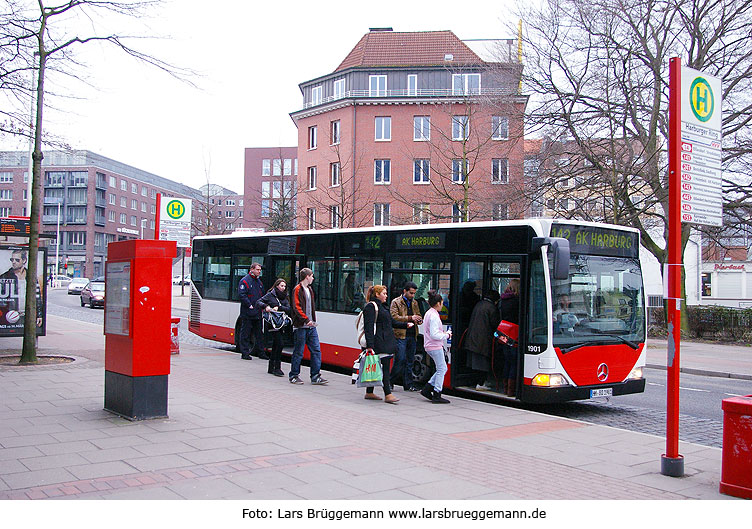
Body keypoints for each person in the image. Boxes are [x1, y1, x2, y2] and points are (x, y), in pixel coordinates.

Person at [362, 285, 413, 404]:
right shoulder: (371, 307)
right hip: (379, 342)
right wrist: (370, 346)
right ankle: (388, 394)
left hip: (385, 341)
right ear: (377, 295)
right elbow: (368, 327)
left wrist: (405, 325)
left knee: (376, 366)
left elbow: (391, 322)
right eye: (384, 293)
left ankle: (369, 392)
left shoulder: (382, 307)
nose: (386, 295)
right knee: (384, 367)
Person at [289, 268, 328, 385]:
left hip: (311, 326)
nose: (313, 278)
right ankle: (294, 375)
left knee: (316, 350)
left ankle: (315, 376)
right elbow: (296, 307)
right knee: (299, 351)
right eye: (312, 276)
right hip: (301, 326)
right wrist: (306, 320)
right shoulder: (297, 289)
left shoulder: (309, 289)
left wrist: (311, 321)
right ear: (307, 277)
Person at [463, 290, 501, 391]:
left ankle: (477, 382)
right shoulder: (491, 308)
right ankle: (481, 383)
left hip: (473, 338)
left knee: (475, 363)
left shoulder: (479, 304)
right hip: (482, 340)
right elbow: (495, 324)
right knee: (482, 364)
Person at [389, 281, 422, 391]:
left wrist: (419, 319)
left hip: (413, 334)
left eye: (414, 293)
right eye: (411, 293)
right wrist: (410, 318)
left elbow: (418, 315)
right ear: (405, 291)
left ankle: (408, 384)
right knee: (400, 359)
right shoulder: (396, 302)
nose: (413, 295)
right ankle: (390, 381)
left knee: (410, 361)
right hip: (400, 335)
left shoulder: (415, 303)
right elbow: (394, 317)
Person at [420, 290, 452, 404]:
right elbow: (434, 334)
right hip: (434, 345)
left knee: (441, 368)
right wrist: (446, 335)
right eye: (442, 303)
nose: (442, 306)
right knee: (442, 369)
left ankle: (427, 389)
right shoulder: (434, 315)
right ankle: (436, 393)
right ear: (438, 303)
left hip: (430, 345)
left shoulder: (429, 313)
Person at [257, 278, 291, 377]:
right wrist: (266, 307)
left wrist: (279, 308)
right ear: (277, 286)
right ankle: (277, 368)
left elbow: (289, 309)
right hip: (272, 324)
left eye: (284, 286)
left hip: (281, 324)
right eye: (281, 286)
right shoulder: (270, 295)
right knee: (280, 344)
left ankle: (271, 367)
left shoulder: (285, 297)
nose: (283, 288)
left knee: (276, 344)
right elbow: (258, 302)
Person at [0, 249, 42, 327]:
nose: (13, 262)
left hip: (27, 316)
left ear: (24, 260)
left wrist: (39, 314)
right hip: (10, 316)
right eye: (12, 259)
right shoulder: (5, 276)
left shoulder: (31, 276)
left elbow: (37, 297)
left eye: (17, 260)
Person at [238, 262, 266, 360]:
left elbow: (262, 295)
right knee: (245, 333)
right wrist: (249, 305)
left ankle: (261, 352)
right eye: (258, 270)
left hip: (258, 312)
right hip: (248, 313)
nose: (259, 271)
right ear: (252, 269)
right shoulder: (245, 281)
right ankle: (245, 353)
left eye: (260, 270)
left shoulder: (259, 282)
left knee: (259, 334)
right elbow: (242, 295)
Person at [500, 279, 520, 397]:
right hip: (514, 334)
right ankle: (511, 390)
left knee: (507, 361)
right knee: (514, 362)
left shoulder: (503, 300)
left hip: (503, 334)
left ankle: (506, 388)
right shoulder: (517, 301)